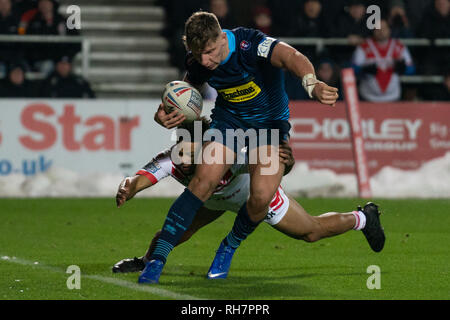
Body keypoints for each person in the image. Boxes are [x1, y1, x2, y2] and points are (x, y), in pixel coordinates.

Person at [144, 11, 371, 285]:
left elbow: (292, 57)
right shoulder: (199, 61)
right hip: (228, 124)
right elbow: (184, 94)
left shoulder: (250, 45)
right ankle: (156, 261)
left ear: (220, 37)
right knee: (203, 180)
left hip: (269, 130)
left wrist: (311, 84)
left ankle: (229, 246)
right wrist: (166, 113)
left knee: (262, 197)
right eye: (198, 54)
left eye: (210, 51)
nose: (205, 60)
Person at [112, 119, 385, 277]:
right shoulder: (172, 158)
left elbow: (273, 165)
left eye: (188, 151)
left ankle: (363, 218)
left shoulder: (232, 154)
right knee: (177, 230)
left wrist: (286, 163)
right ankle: (145, 261)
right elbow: (140, 180)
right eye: (178, 148)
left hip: (248, 196)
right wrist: (128, 187)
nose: (180, 158)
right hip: (211, 198)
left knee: (311, 232)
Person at [351, 18, 415, 102]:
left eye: (384, 28)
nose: (381, 32)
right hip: (368, 98)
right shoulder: (363, 47)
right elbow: (352, 69)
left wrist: (403, 68)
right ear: (373, 30)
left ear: (389, 30)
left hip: (393, 98)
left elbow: (411, 69)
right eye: (378, 29)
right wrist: (363, 70)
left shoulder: (399, 46)